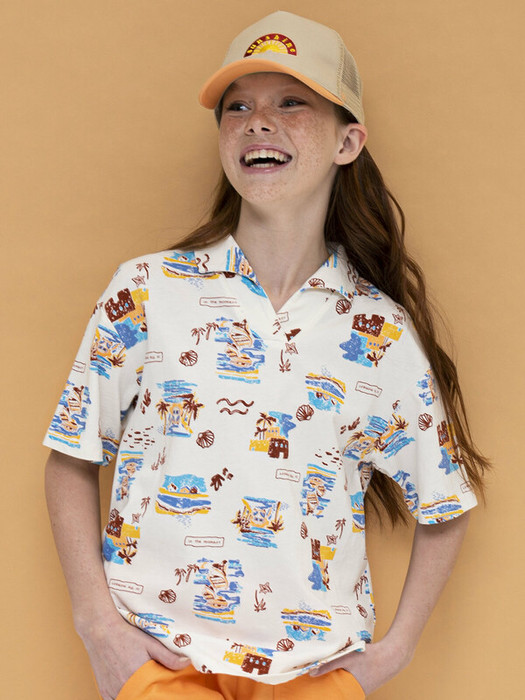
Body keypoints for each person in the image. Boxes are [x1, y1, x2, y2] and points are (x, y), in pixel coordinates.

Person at [44, 11, 489, 700]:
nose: (257, 122)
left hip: (314, 675)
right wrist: (96, 626)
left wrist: (391, 655)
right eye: (237, 107)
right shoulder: (147, 291)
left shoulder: (376, 331)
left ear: (347, 141)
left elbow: (445, 500)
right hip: (161, 666)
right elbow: (72, 454)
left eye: (290, 103)